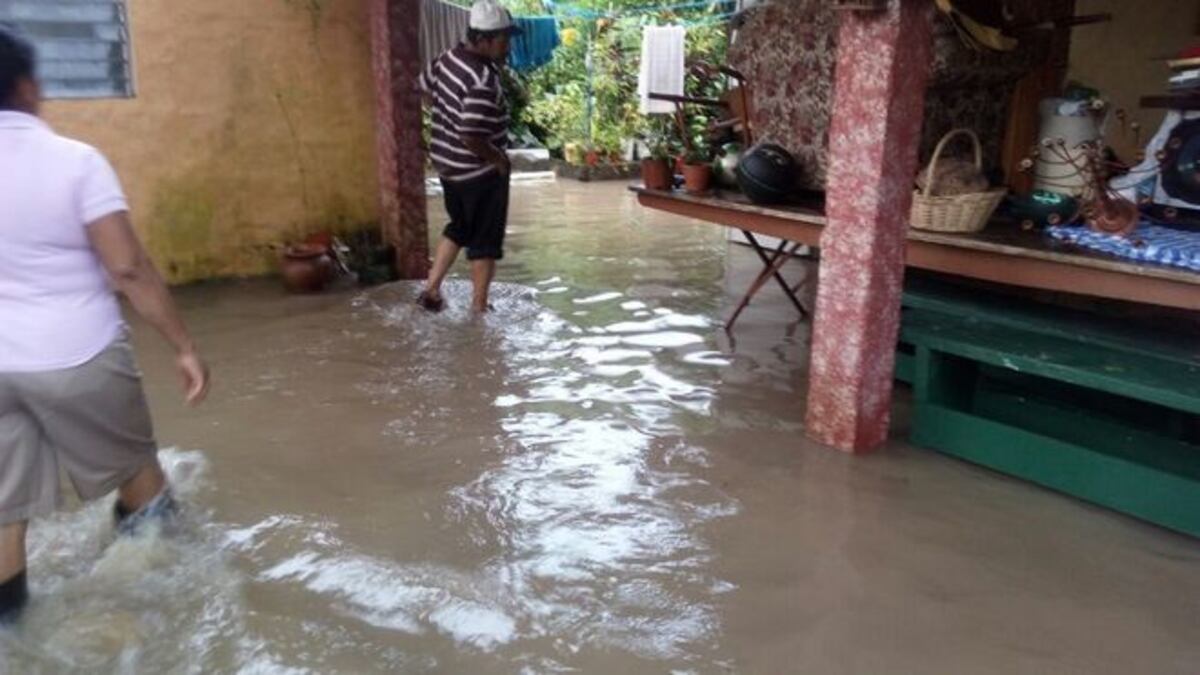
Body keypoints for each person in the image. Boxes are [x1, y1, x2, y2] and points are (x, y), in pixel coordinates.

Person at [0, 27, 210, 623]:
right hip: (76, 356)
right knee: (139, 474)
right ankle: (165, 609)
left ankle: (13, 636)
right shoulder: (76, 162)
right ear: (28, 86)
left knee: (4, 511)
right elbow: (127, 268)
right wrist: (183, 346)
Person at [417, 0, 520, 313]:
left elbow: (424, 89)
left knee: (459, 226)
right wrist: (498, 160)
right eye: (503, 39)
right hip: (478, 173)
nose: (507, 46)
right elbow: (471, 134)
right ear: (484, 39)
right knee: (484, 242)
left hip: (448, 167)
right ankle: (479, 308)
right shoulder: (482, 79)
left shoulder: (447, 58)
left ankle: (431, 290)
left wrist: (445, 114)